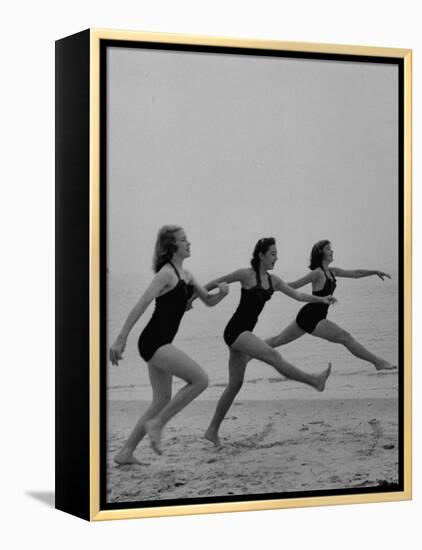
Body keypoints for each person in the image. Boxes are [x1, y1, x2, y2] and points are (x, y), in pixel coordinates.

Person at [196, 237, 335, 448]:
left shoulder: (274, 281)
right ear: (260, 255)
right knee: (273, 355)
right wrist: (191, 299)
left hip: (243, 335)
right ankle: (314, 381)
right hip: (235, 331)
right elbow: (216, 281)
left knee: (235, 385)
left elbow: (297, 295)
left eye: (277, 254)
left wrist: (321, 299)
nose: (276, 258)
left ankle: (212, 430)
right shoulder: (246, 274)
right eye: (272, 254)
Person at [109, 225, 229, 462]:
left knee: (161, 399)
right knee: (200, 380)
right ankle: (158, 425)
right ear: (172, 246)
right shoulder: (166, 273)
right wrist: (121, 338)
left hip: (160, 342)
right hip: (154, 341)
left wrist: (222, 294)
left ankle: (125, 452)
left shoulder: (187, 275)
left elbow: (208, 300)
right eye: (184, 240)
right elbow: (141, 304)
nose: (189, 243)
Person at [263, 240, 396, 371]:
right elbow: (294, 285)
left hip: (311, 316)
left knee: (277, 340)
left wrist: (374, 272)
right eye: (328, 249)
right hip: (312, 317)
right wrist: (269, 287)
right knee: (346, 337)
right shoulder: (317, 273)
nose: (331, 251)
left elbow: (355, 274)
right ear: (320, 253)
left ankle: (248, 351)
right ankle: (379, 363)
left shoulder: (332, 272)